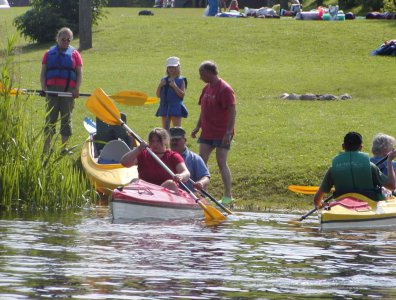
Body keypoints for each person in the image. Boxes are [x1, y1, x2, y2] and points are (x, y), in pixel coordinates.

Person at [191, 61, 236, 205]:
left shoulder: (225, 89)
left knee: (221, 162)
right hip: (207, 132)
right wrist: (198, 126)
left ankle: (228, 195)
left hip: (222, 132)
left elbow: (232, 110)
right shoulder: (206, 89)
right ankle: (201, 193)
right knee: (201, 162)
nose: (200, 77)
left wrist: (228, 132)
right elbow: (203, 110)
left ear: (210, 73)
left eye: (202, 74)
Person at [314, 132, 396, 208]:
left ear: (343, 146)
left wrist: (321, 205)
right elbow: (392, 186)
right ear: (361, 148)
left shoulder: (333, 169)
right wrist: (389, 161)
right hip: (368, 204)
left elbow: (317, 199)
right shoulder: (370, 166)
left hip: (341, 205)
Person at [40, 27, 83, 153]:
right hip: (51, 92)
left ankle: (63, 149)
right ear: (57, 38)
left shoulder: (75, 54)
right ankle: (46, 149)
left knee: (66, 120)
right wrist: (44, 88)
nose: (65, 41)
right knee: (50, 120)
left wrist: (76, 89)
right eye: (63, 39)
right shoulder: (48, 54)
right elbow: (43, 73)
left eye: (68, 40)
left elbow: (79, 74)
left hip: (68, 92)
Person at [120, 127, 190, 193]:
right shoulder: (143, 154)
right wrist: (138, 149)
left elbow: (186, 172)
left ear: (165, 141)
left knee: (170, 183)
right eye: (152, 141)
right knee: (135, 181)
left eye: (158, 141)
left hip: (165, 193)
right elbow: (125, 163)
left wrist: (181, 176)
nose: (155, 144)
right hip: (146, 192)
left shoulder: (173, 156)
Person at [169, 126, 210, 191]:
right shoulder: (164, 156)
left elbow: (205, 176)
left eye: (177, 140)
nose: (174, 142)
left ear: (185, 140)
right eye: (172, 140)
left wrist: (201, 183)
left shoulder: (194, 158)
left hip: (190, 196)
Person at [155, 56, 188, 131]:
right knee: (165, 130)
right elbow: (158, 95)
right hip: (164, 106)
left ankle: (177, 141)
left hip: (175, 106)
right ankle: (166, 142)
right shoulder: (163, 80)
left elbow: (182, 95)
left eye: (173, 67)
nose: (171, 69)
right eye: (169, 67)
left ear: (178, 67)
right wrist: (160, 86)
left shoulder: (181, 80)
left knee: (177, 129)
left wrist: (174, 86)